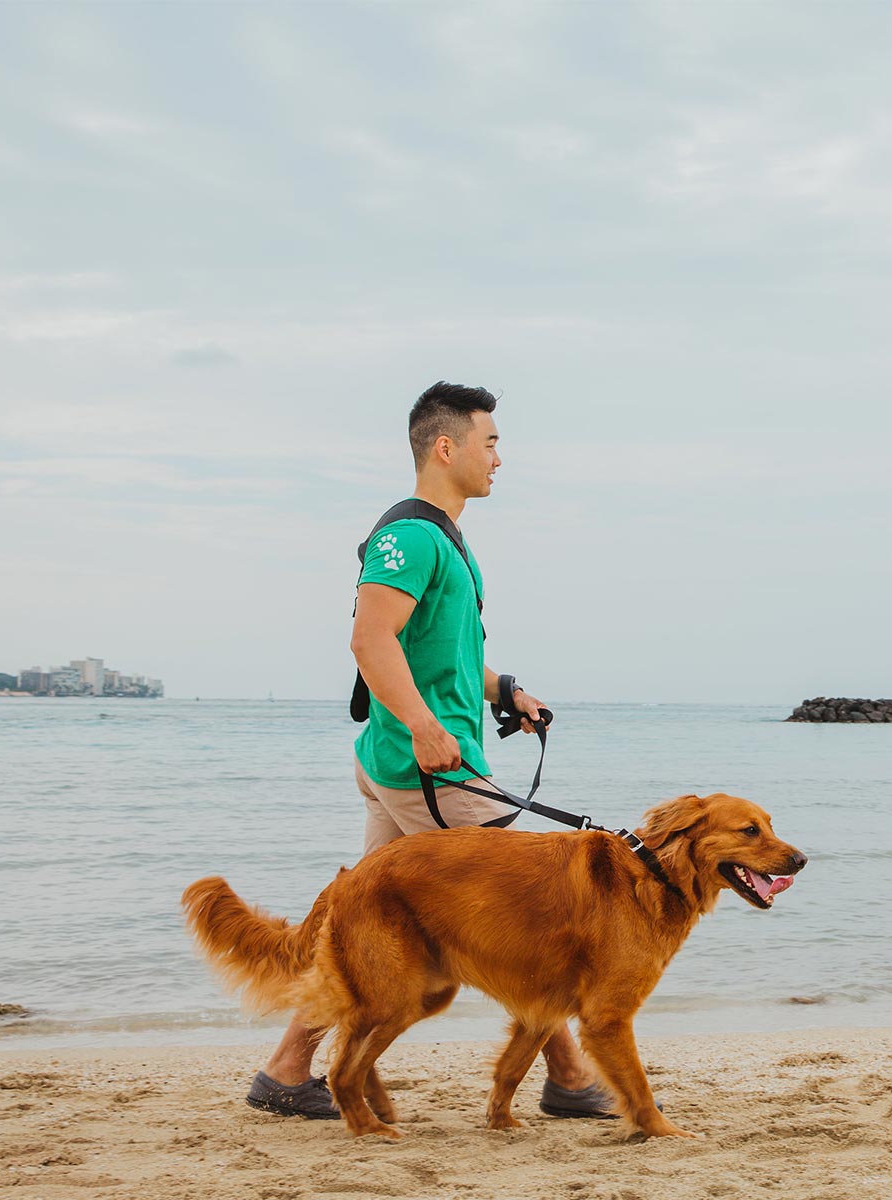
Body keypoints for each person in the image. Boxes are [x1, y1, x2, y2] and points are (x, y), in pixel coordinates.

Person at [246, 381, 614, 1121]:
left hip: (404, 768)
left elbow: (438, 651)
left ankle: (287, 1071)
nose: (500, 458)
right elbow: (370, 639)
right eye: (491, 442)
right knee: (527, 918)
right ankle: (571, 1079)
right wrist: (422, 724)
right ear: (446, 448)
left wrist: (502, 690)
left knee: (365, 921)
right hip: (431, 774)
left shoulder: (444, 537)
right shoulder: (409, 537)